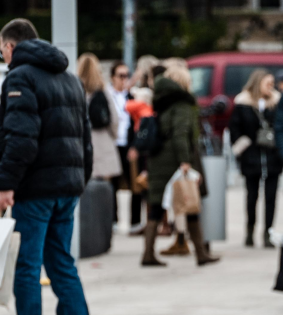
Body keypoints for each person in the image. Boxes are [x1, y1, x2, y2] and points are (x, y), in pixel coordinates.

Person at [0, 18, 94, 315]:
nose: (2, 56)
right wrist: (80, 180)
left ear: (10, 46)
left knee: (27, 269)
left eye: (1, 49)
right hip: (67, 188)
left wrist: (4, 183)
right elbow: (85, 139)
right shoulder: (69, 78)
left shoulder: (20, 77)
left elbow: (20, 138)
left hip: (35, 191)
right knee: (63, 265)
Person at [141, 65, 219, 267]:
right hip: (174, 160)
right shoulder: (183, 104)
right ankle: (200, 253)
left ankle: (148, 253)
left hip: (159, 159)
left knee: (157, 206)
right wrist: (185, 162)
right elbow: (180, 135)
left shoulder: (162, 101)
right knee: (189, 202)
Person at [230, 69, 283, 247]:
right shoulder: (243, 102)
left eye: (272, 84)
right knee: (251, 196)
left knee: (271, 197)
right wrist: (243, 147)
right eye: (267, 83)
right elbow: (235, 128)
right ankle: (250, 231)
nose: (271, 87)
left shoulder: (276, 102)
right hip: (251, 156)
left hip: (272, 156)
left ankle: (268, 233)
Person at [107, 60, 143, 231]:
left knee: (134, 183)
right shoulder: (107, 96)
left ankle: (135, 221)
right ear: (112, 77)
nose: (124, 79)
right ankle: (113, 220)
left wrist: (135, 146)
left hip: (128, 145)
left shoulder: (131, 97)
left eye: (126, 75)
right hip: (113, 144)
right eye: (120, 75)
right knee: (112, 184)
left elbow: (138, 124)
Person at [76, 54, 122, 183]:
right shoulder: (103, 91)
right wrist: (113, 136)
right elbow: (114, 119)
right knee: (105, 192)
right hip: (104, 143)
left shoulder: (76, 91)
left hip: (82, 143)